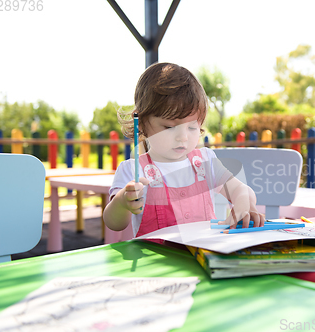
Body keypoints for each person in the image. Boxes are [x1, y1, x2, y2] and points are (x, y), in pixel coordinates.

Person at [103, 62, 265, 237]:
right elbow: (114, 223)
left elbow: (241, 189)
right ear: (142, 124)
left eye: (192, 128)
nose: (183, 137)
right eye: (170, 127)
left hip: (203, 256)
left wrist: (243, 205)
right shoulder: (133, 170)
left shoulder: (206, 162)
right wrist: (122, 202)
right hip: (155, 260)